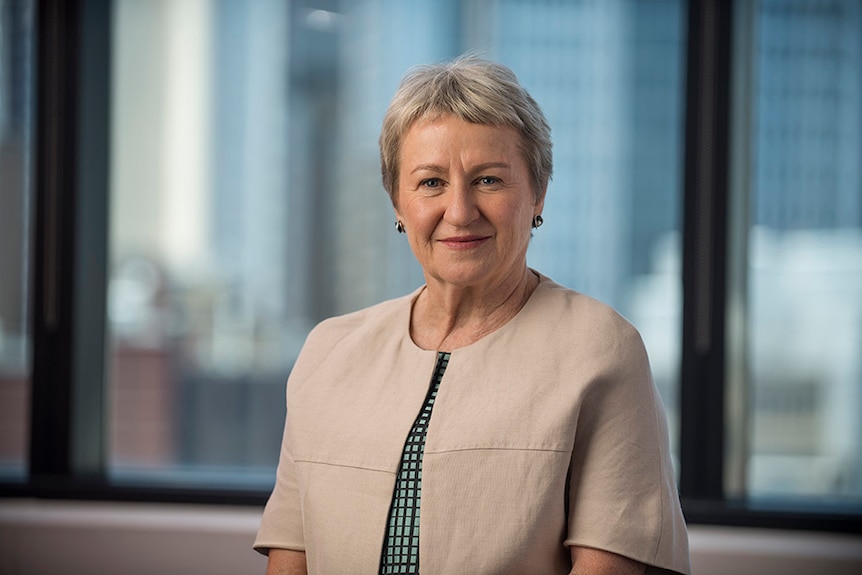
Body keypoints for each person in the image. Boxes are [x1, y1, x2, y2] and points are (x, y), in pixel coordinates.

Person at [254, 56, 691, 575]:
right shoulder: (327, 352)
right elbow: (291, 561)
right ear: (397, 201)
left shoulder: (601, 349)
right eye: (431, 183)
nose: (459, 212)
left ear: (538, 194)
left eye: (488, 180)